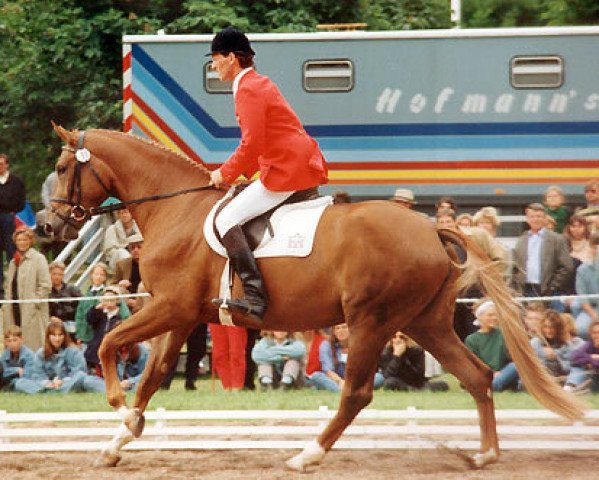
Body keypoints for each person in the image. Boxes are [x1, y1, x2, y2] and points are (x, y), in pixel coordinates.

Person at [207, 27, 328, 322]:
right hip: (291, 161)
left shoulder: (247, 88)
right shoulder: (256, 82)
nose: (213, 65)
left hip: (286, 167)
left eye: (216, 58)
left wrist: (224, 172)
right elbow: (263, 141)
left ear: (232, 58)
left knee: (225, 219)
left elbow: (252, 143)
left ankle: (254, 297)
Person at [511, 203, 574, 304]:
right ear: (527, 219)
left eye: (538, 216)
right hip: (525, 290)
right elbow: (515, 266)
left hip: (549, 291)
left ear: (545, 219)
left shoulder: (557, 239)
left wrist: (553, 286)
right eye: (532, 216)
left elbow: (567, 266)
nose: (535, 219)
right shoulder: (521, 240)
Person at [2, 226, 51, 351]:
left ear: (30, 241)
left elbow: (45, 285)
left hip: (32, 310)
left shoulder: (38, 258)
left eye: (25, 239)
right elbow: (9, 286)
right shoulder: (13, 262)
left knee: (33, 345)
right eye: (19, 240)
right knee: (14, 342)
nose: (22, 242)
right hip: (14, 309)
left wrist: (35, 302)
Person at [13, 319, 88, 394]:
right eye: (54, 335)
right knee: (20, 382)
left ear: (65, 336)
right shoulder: (41, 353)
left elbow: (79, 370)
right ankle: (48, 392)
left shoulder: (74, 352)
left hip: (66, 384)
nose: (57, 339)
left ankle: (57, 391)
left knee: (81, 375)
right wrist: (47, 383)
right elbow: (37, 374)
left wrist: (62, 381)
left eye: (60, 335)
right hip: (47, 386)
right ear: (48, 336)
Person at [310, 323, 384, 392]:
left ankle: (348, 390)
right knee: (316, 376)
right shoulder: (326, 345)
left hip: (356, 381)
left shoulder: (361, 344)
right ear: (334, 332)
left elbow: (364, 370)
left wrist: (350, 383)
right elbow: (328, 370)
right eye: (337, 328)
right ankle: (346, 391)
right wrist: (340, 381)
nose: (341, 331)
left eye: (344, 327)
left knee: (379, 377)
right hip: (335, 380)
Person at [465, 299, 520, 391]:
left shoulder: (503, 334)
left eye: (496, 315)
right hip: (484, 377)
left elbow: (512, 359)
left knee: (516, 366)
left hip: (503, 374)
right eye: (490, 315)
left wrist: (502, 373)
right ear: (480, 317)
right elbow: (473, 365)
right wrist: (492, 374)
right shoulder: (472, 339)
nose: (494, 318)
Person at [74, 262, 130, 346]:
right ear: (91, 276)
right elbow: (79, 316)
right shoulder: (85, 296)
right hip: (86, 337)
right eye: (96, 274)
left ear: (105, 277)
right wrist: (79, 335)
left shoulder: (110, 293)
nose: (98, 277)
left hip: (102, 334)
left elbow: (124, 312)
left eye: (102, 275)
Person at [379, 331, 448, 392]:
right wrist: (397, 356)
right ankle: (415, 390)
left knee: (443, 384)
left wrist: (404, 357)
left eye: (402, 337)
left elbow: (419, 374)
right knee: (389, 382)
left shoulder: (416, 351)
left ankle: (415, 389)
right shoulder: (386, 352)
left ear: (407, 339)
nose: (397, 340)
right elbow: (387, 375)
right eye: (394, 337)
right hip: (398, 381)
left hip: (415, 382)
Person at [530, 309, 583, 386]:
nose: (548, 330)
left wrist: (556, 358)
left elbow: (569, 367)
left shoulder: (565, 344)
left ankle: (568, 387)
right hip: (538, 377)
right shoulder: (535, 342)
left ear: (558, 328)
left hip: (558, 377)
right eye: (546, 327)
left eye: (552, 327)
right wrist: (542, 355)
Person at [0, 153, 26, 299]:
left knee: (12, 253)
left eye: (2, 163)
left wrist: (10, 210)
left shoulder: (16, 181)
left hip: (10, 219)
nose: (0, 166)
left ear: (7, 164)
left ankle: (15, 286)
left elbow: (21, 201)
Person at [84, 286, 124, 374]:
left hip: (112, 350)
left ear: (117, 301)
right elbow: (89, 319)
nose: (109, 303)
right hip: (96, 348)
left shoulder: (120, 316)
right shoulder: (99, 314)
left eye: (112, 300)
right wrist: (96, 309)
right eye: (106, 300)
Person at [571, 233, 599, 339]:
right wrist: (595, 317)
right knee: (580, 329)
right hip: (591, 309)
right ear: (590, 248)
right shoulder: (582, 270)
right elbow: (583, 299)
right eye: (595, 248)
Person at [48, 261, 82, 339]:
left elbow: (82, 306)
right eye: (54, 274)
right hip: (54, 327)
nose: (57, 277)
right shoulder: (46, 292)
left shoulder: (72, 289)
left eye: (59, 274)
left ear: (63, 275)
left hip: (73, 324)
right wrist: (50, 317)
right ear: (49, 274)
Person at [210, 323, 247, 391]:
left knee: (236, 351)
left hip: (234, 315)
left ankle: (237, 385)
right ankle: (227, 386)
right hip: (215, 316)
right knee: (219, 353)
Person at [114, 233, 144, 313]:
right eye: (132, 248)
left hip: (146, 299)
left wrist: (139, 302)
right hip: (128, 300)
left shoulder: (152, 263)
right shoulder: (121, 264)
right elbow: (113, 285)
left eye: (139, 247)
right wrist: (120, 284)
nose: (135, 250)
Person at [569, 320, 599, 393]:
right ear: (591, 334)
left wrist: (590, 361)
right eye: (594, 333)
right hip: (594, 376)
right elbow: (574, 356)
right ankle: (570, 387)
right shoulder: (590, 344)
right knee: (577, 368)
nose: (597, 335)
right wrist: (591, 357)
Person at [1, 325, 35, 391]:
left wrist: (12, 379)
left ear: (21, 339)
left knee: (20, 384)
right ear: (6, 342)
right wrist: (16, 370)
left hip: (23, 382)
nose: (12, 343)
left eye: (15, 340)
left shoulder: (29, 355)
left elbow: (28, 376)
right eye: (9, 341)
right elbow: (2, 373)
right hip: (8, 382)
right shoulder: (5, 354)